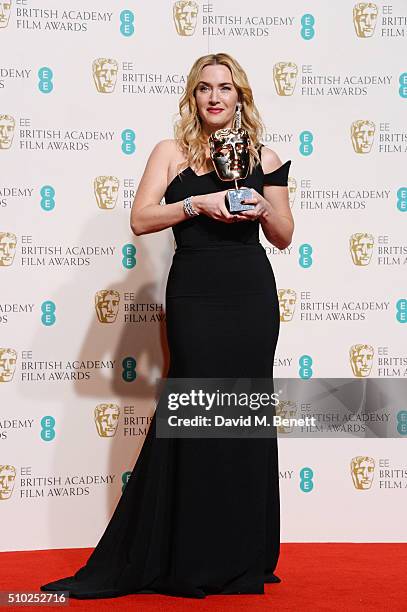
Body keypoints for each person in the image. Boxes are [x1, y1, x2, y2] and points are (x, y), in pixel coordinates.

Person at [40, 52, 294, 600]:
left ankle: (241, 552)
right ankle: (191, 552)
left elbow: (284, 234)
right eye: (204, 88)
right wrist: (199, 203)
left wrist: (259, 209)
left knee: (243, 412)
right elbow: (141, 217)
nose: (215, 97)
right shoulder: (171, 151)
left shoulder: (266, 156)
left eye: (226, 88)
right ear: (193, 97)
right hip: (196, 296)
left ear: (241, 97)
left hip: (250, 295)